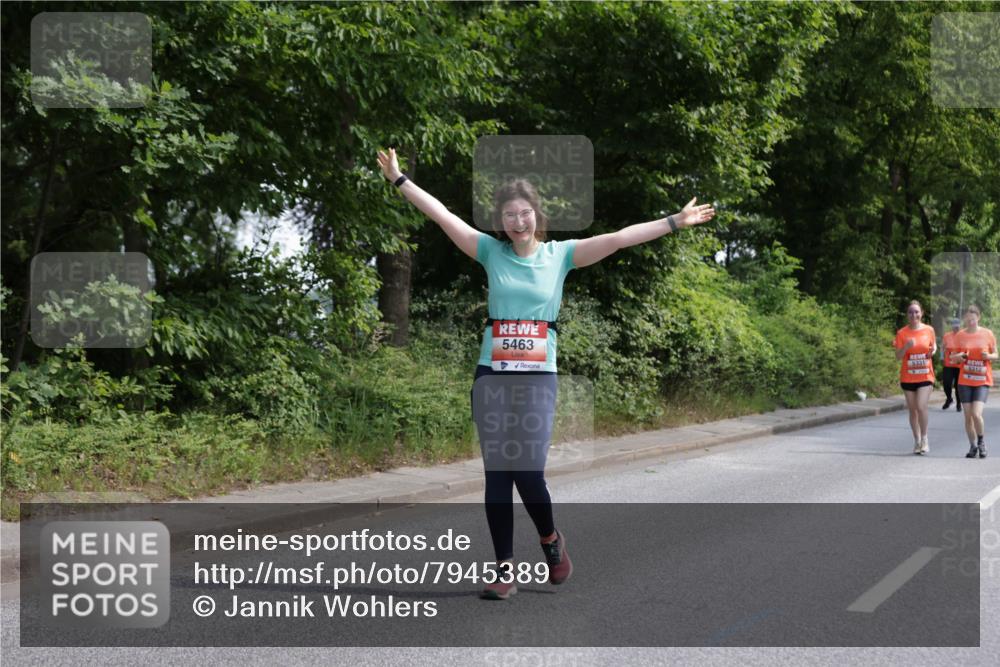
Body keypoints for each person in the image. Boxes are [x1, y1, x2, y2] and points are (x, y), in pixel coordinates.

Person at [376, 147, 715, 600]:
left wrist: (673, 221)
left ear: (537, 215)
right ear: (502, 220)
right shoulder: (489, 252)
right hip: (492, 376)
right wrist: (399, 179)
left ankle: (551, 540)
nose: (518, 221)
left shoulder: (561, 255)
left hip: (538, 378)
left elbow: (618, 238)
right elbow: (442, 215)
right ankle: (503, 571)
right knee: (498, 474)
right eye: (510, 215)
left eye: (525, 213)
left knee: (528, 472)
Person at [949, 304, 996, 459]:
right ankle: (973, 446)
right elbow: (952, 358)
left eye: (973, 319)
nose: (970, 322)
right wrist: (960, 356)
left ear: (978, 318)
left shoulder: (988, 334)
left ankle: (981, 442)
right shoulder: (960, 336)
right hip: (965, 380)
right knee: (968, 416)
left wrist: (988, 357)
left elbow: (996, 354)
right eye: (968, 319)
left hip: (982, 380)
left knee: (976, 414)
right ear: (964, 319)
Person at [894, 300, 936, 454]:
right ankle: (917, 440)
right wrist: (906, 347)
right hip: (908, 377)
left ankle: (925, 439)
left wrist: (933, 352)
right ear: (907, 315)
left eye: (916, 312)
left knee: (921, 405)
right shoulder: (902, 333)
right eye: (911, 312)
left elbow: (934, 346)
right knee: (912, 410)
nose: (914, 315)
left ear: (922, 313)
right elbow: (898, 356)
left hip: (925, 375)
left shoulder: (929, 330)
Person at [941, 317, 963, 412]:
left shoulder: (964, 336)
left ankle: (959, 403)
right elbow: (942, 347)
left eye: (957, 327)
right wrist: (941, 357)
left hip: (959, 366)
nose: (956, 328)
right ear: (952, 327)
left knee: (958, 386)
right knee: (946, 384)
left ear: (960, 326)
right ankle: (949, 399)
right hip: (948, 364)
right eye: (954, 327)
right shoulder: (947, 336)